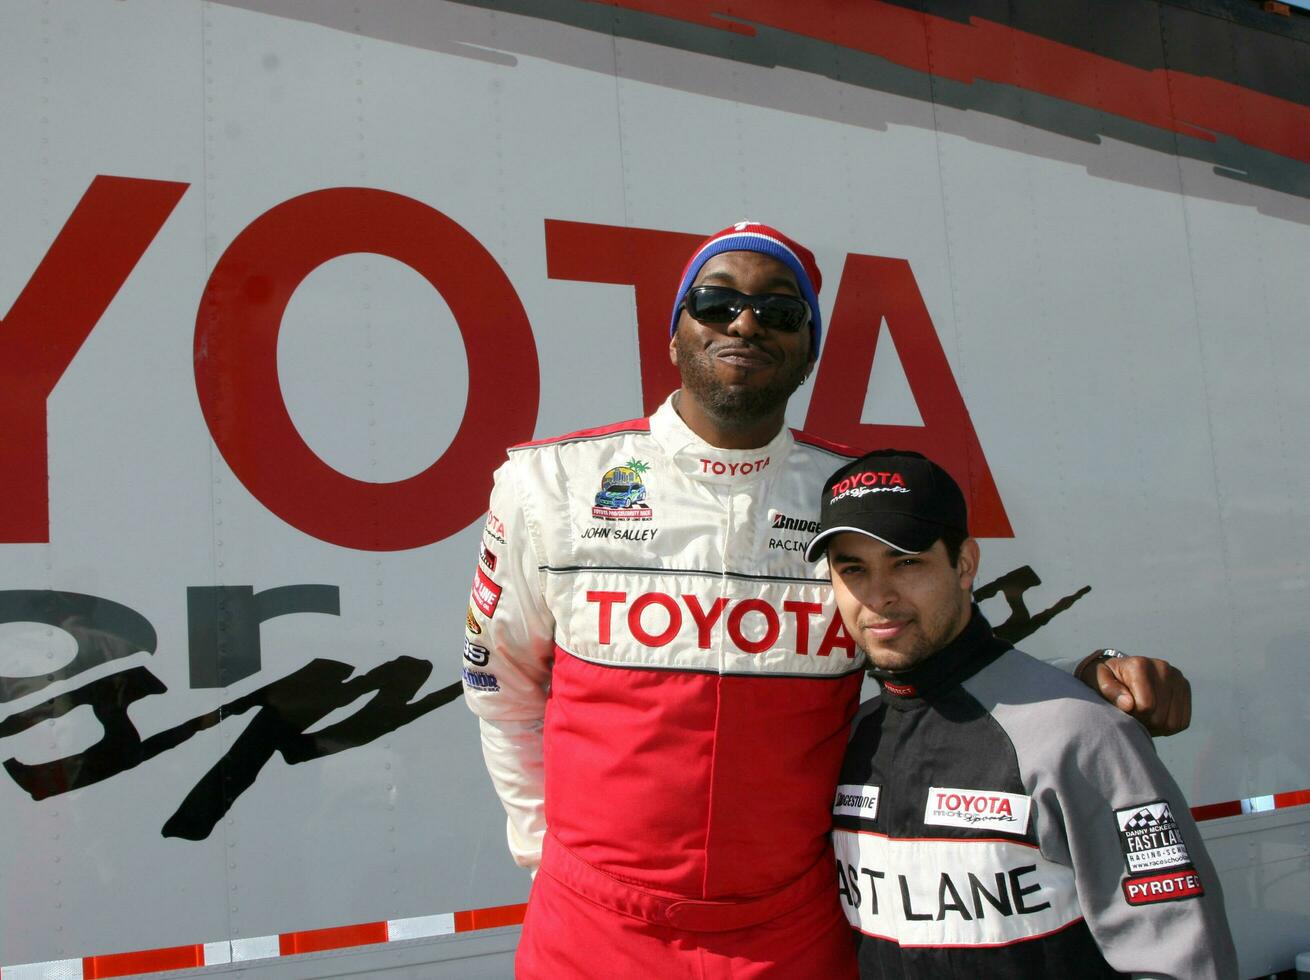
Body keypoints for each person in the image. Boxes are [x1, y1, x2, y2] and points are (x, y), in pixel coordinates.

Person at [461, 221, 1192, 977]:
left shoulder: (849, 497)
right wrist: (543, 851)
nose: (745, 322)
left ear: (808, 350)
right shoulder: (549, 485)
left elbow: (939, 657)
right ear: (675, 333)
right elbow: (500, 688)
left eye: (781, 312)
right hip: (592, 928)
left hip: (791, 930)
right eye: (715, 303)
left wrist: (1085, 678)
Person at [812, 449, 1236, 977]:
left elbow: (1179, 958)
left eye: (906, 562)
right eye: (853, 569)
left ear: (964, 564)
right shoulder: (850, 736)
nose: (878, 597)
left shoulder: (1081, 732)